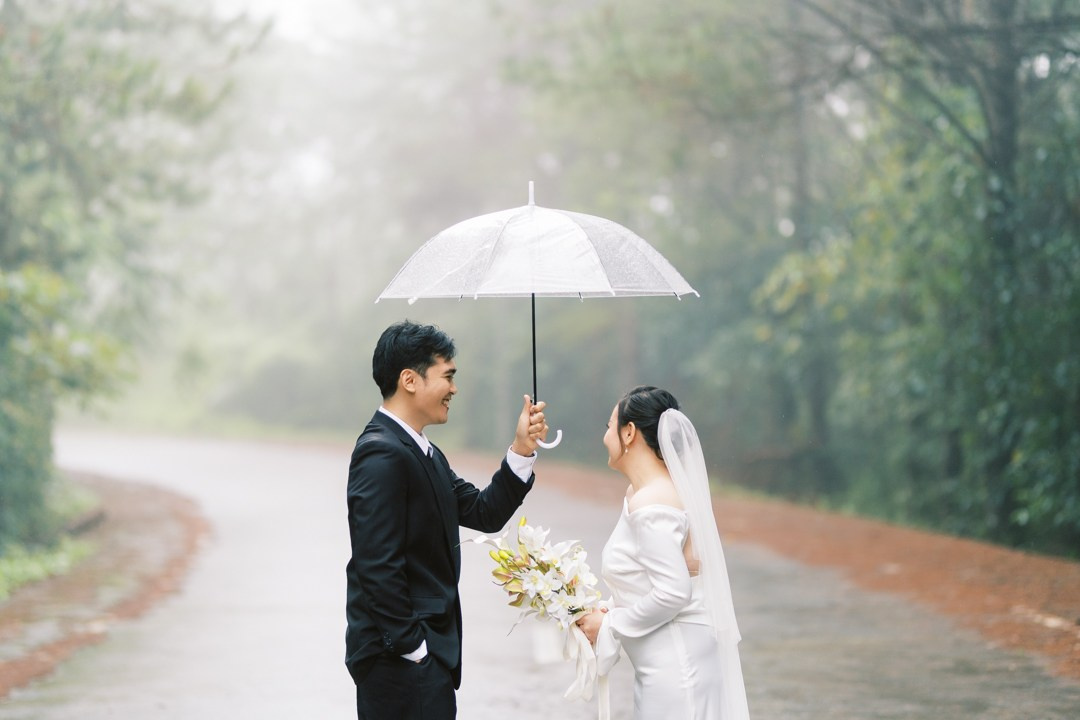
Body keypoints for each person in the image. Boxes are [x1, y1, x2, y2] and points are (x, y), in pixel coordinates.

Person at [345, 320, 549, 720]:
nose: (454, 388)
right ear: (409, 379)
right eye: (447, 376)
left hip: (424, 659)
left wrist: (522, 448)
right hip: (400, 662)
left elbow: (483, 512)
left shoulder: (425, 452)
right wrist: (412, 648)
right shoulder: (381, 453)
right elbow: (376, 564)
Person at [575, 386, 749, 720]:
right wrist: (604, 608)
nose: (604, 437)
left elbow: (673, 592)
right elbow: (651, 580)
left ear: (629, 433)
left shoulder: (653, 502)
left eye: (609, 426)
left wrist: (610, 623)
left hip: (678, 670)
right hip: (666, 667)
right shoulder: (645, 494)